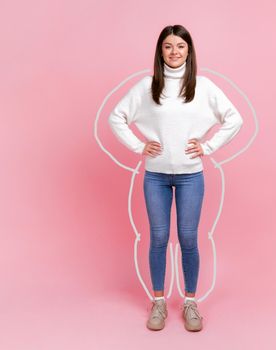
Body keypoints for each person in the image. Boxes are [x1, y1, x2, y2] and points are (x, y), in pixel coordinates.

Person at [108, 24, 243, 332]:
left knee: (188, 238)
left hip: (190, 177)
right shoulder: (147, 86)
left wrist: (207, 147)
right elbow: (116, 116)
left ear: (189, 51)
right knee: (157, 237)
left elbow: (235, 118)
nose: (174, 52)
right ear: (160, 51)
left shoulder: (203, 86)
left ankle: (190, 303)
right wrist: (139, 146)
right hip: (155, 176)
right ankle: (158, 303)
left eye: (180, 46)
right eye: (168, 46)